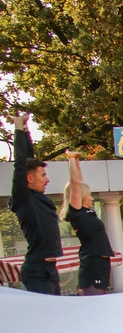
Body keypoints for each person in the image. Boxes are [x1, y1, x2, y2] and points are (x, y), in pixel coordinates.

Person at [9, 114, 63, 294]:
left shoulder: (38, 197)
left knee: (56, 316)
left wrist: (26, 131)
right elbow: (20, 164)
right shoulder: (23, 198)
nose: (47, 180)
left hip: (50, 269)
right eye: (43, 176)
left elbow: (29, 159)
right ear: (29, 179)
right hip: (36, 270)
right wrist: (17, 128)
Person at [61, 151, 114, 295]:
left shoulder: (89, 212)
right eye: (88, 194)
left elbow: (80, 181)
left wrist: (77, 160)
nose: (91, 198)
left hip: (101, 262)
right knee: (95, 301)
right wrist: (71, 158)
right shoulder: (76, 212)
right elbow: (75, 184)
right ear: (82, 196)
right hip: (92, 262)